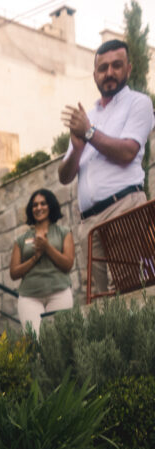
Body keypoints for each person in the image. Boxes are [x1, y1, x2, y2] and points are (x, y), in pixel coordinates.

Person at [59, 38, 154, 297]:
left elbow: (127, 151)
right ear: (94, 75)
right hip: (89, 223)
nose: (109, 73)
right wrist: (77, 148)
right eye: (103, 68)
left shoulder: (139, 103)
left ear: (129, 69)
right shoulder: (88, 115)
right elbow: (64, 176)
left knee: (133, 293)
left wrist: (88, 133)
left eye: (116, 65)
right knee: (99, 306)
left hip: (124, 209)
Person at [9, 188, 75, 334]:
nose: (39, 208)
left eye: (43, 203)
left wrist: (47, 248)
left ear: (50, 206)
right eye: (35, 205)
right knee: (36, 342)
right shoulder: (20, 239)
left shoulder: (63, 232)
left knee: (60, 340)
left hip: (59, 292)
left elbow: (68, 264)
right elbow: (13, 273)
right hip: (29, 297)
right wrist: (35, 258)